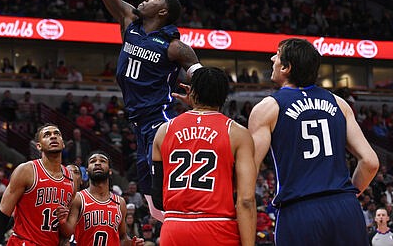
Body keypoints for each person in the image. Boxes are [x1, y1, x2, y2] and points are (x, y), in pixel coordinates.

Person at [85, 0, 201, 220]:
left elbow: (203, 78)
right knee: (154, 205)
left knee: (168, 195)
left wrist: (197, 101)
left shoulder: (176, 48)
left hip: (160, 123)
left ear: (162, 11)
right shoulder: (129, 24)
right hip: (139, 124)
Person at [248, 38, 379, 246]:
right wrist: (346, 195)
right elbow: (370, 162)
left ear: (286, 68)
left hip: (300, 212)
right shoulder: (339, 103)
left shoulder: (268, 108)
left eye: (277, 55)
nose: (272, 58)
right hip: (345, 209)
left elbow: (249, 169)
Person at [151, 67, 256, 246]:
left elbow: (158, 199)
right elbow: (246, 200)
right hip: (217, 227)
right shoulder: (237, 133)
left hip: (174, 228)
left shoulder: (163, 131)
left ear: (192, 93)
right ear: (224, 96)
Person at [0, 123, 75, 246]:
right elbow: (3, 214)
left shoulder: (70, 178)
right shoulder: (26, 170)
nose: (53, 137)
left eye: (57, 134)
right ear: (39, 146)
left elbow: (66, 230)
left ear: (63, 143)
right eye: (47, 135)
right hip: (25, 242)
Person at [58, 151, 144, 246]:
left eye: (102, 161)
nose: (97, 163)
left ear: (110, 171)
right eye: (93, 161)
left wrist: (131, 243)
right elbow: (67, 232)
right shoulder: (79, 198)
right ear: (87, 170)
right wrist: (62, 221)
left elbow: (122, 237)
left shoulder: (120, 202)